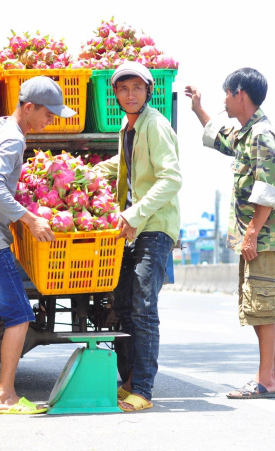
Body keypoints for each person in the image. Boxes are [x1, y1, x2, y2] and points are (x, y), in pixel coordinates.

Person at [0, 76, 73, 415]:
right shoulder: (12, 139)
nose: (49, 122)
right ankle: (5, 395)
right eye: (48, 115)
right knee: (19, 316)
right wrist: (29, 218)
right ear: (29, 106)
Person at [185, 68, 275, 399]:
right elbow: (221, 137)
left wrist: (251, 235)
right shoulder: (248, 134)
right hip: (257, 239)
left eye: (227, 94)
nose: (224, 101)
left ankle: (264, 382)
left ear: (240, 94)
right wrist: (198, 109)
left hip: (263, 240)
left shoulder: (263, 136)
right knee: (256, 307)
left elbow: (268, 188)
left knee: (262, 309)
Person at [95, 62, 182, 412]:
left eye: (137, 88)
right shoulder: (128, 125)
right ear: (115, 94)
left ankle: (143, 390)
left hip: (155, 226)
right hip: (134, 227)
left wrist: (133, 213)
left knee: (144, 309)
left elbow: (171, 178)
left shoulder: (156, 126)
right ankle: (129, 380)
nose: (129, 94)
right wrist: (84, 172)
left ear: (149, 90)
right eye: (122, 89)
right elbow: (124, 164)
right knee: (126, 307)